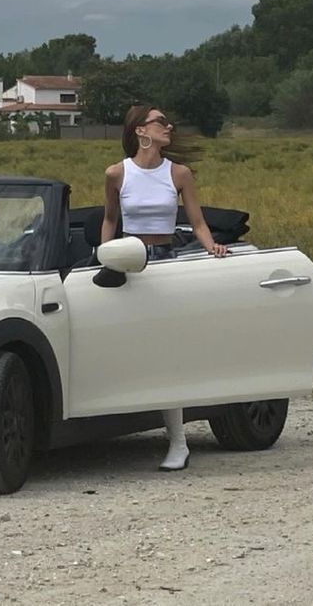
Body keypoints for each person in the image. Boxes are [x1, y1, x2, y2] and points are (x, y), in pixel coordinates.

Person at [101, 104, 229, 472]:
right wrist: (104, 257)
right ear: (141, 131)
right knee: (131, 348)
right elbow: (110, 219)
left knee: (164, 352)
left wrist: (211, 247)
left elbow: (198, 222)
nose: (168, 126)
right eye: (160, 122)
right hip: (129, 258)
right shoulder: (116, 174)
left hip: (167, 260)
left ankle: (178, 442)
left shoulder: (179, 173)